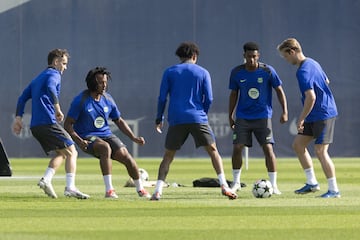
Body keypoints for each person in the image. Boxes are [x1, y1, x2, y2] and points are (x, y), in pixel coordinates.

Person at [152, 41, 237, 201]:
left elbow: (162, 97)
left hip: (177, 118)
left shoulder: (169, 72)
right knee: (213, 151)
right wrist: (202, 113)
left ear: (180, 56)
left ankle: (157, 191)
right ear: (194, 56)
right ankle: (224, 185)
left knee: (168, 156)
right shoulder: (203, 72)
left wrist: (159, 117)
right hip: (198, 117)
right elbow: (209, 98)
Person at [13, 49, 89, 199]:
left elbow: (22, 98)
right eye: (64, 63)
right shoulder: (53, 74)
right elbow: (50, 87)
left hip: (36, 126)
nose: (65, 67)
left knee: (62, 153)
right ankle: (70, 187)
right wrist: (57, 108)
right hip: (47, 122)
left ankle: (46, 180)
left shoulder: (37, 78)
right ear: (56, 62)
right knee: (72, 151)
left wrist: (18, 118)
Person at [64, 66, 151, 199]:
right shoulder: (80, 100)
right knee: (105, 148)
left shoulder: (108, 99)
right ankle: (109, 190)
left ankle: (140, 189)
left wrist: (133, 137)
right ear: (92, 83)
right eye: (100, 82)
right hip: (87, 137)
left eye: (105, 82)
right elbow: (67, 124)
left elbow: (119, 120)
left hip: (107, 134)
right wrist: (78, 141)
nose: (104, 85)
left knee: (126, 156)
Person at [277, 38, 340, 198]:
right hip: (315, 114)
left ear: (292, 51)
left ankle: (334, 190)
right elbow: (326, 80)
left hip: (324, 114)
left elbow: (310, 97)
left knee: (320, 151)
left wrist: (301, 119)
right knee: (298, 145)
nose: (286, 60)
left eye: (285, 56)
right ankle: (312, 183)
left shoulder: (303, 71)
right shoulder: (313, 62)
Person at [228, 42, 288, 195]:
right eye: (249, 57)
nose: (252, 60)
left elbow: (279, 91)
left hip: (263, 116)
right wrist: (231, 115)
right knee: (237, 148)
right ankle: (235, 183)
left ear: (258, 56)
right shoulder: (236, 72)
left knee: (268, 148)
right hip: (243, 117)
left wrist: (284, 111)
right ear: (244, 56)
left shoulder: (267, 71)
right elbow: (234, 94)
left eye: (254, 57)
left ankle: (274, 185)